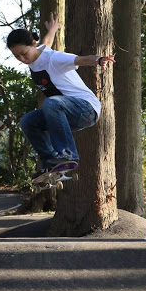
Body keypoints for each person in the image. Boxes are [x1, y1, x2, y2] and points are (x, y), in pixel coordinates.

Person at [6, 14, 115, 180]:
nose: (22, 59)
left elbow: (80, 60)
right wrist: (52, 29)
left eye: (24, 53)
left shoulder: (54, 58)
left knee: (51, 103)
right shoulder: (38, 54)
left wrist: (99, 60)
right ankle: (51, 162)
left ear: (33, 44)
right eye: (17, 56)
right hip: (64, 113)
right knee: (28, 121)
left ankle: (68, 154)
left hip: (86, 109)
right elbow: (47, 42)